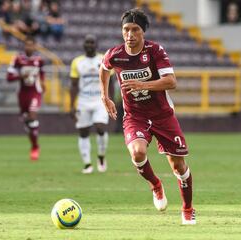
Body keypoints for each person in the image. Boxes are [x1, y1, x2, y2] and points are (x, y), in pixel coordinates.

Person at [99, 9, 195, 225]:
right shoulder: (114, 54)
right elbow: (104, 69)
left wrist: (143, 85)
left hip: (162, 115)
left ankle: (188, 208)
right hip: (135, 116)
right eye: (126, 30)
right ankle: (155, 185)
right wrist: (105, 96)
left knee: (179, 167)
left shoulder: (155, 51)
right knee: (137, 152)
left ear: (143, 32)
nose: (130, 34)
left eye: (135, 30)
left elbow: (171, 82)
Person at [70, 34, 109, 174]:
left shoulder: (103, 59)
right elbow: (73, 85)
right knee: (83, 132)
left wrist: (109, 99)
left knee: (100, 127)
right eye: (87, 42)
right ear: (83, 45)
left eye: (92, 42)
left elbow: (109, 81)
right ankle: (87, 164)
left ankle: (101, 156)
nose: (89, 45)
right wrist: (71, 106)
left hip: (100, 100)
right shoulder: (77, 62)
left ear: (96, 45)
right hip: (83, 101)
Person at [7, 36, 45, 161]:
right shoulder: (18, 59)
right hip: (23, 93)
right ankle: (33, 135)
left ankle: (35, 147)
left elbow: (42, 73)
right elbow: (9, 77)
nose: (29, 47)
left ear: (34, 46)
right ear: (24, 46)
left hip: (35, 92)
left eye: (31, 45)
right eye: (27, 45)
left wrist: (43, 83)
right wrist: (21, 77)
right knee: (27, 122)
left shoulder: (39, 60)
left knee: (32, 116)